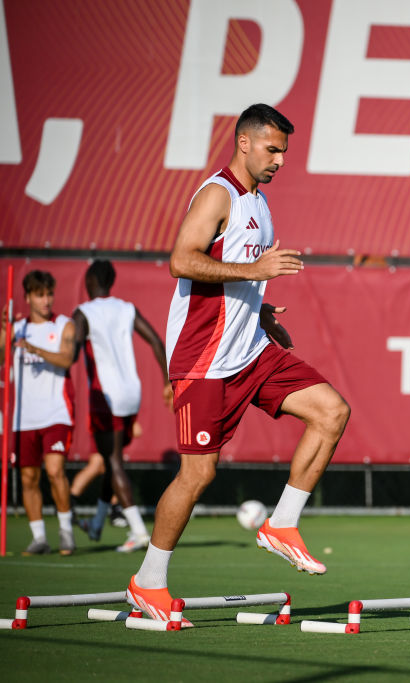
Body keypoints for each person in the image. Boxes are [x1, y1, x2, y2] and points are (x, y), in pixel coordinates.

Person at [127, 103, 351, 623]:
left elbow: (236, 278)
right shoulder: (217, 193)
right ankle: (148, 582)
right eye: (272, 149)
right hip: (205, 360)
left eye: (284, 152)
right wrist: (255, 268)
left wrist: (262, 309)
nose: (279, 160)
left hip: (250, 348)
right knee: (198, 475)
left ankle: (282, 524)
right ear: (244, 142)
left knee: (331, 411)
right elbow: (182, 260)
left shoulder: (260, 202)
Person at [73, 259, 173, 552]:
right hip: (132, 392)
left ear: (90, 281)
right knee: (110, 459)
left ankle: (139, 531)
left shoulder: (84, 312)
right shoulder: (126, 308)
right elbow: (156, 342)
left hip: (105, 396)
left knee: (113, 460)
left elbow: (73, 347)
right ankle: (98, 523)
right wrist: (168, 382)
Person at [0, 271, 76, 555]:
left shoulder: (64, 325)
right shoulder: (17, 327)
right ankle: (39, 537)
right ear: (28, 297)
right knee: (29, 479)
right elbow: (0, 356)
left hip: (56, 412)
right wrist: (5, 327)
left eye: (49, 294)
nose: (46, 300)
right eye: (40, 295)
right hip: (24, 417)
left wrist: (34, 348)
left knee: (55, 471)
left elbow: (67, 358)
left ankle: (66, 531)